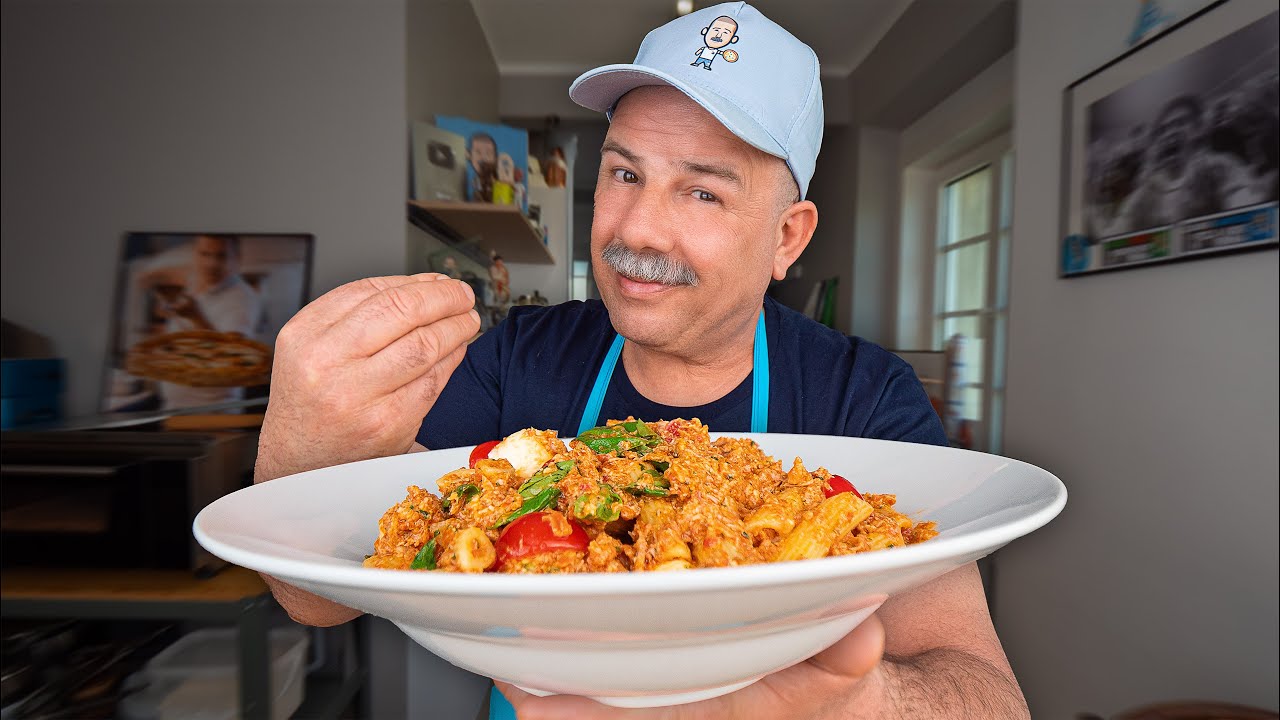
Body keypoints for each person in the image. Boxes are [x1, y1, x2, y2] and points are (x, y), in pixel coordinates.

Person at [255, 3, 1029, 717]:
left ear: (787, 238)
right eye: (626, 174)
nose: (639, 232)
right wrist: (295, 456)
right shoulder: (516, 357)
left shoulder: (865, 397)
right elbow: (321, 602)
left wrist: (846, 706)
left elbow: (989, 696)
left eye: (702, 194)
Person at [139, 234, 263, 409]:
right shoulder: (198, 283)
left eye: (221, 256)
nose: (211, 264)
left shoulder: (242, 298)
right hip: (177, 409)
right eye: (205, 254)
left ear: (237, 259)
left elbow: (232, 357)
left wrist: (195, 316)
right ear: (195, 255)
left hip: (210, 414)